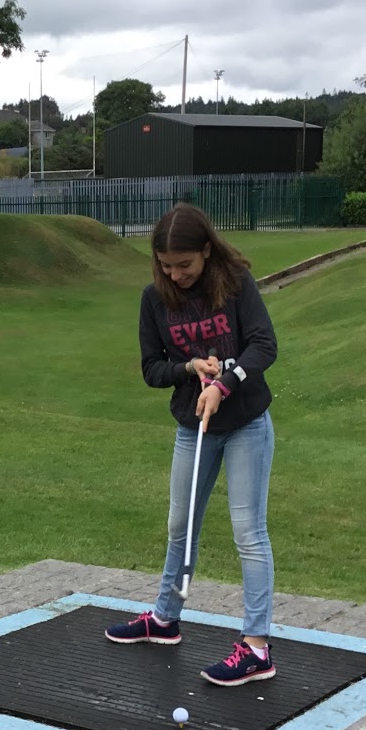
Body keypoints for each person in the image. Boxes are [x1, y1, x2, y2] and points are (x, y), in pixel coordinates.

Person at [106, 204, 279, 688]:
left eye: (184, 264)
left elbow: (264, 346)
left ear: (206, 250)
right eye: (166, 265)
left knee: (248, 532)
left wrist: (224, 382)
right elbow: (151, 369)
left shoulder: (237, 285)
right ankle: (165, 619)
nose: (175, 274)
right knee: (180, 526)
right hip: (194, 427)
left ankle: (257, 647)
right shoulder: (154, 299)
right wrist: (188, 369)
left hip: (245, 423)